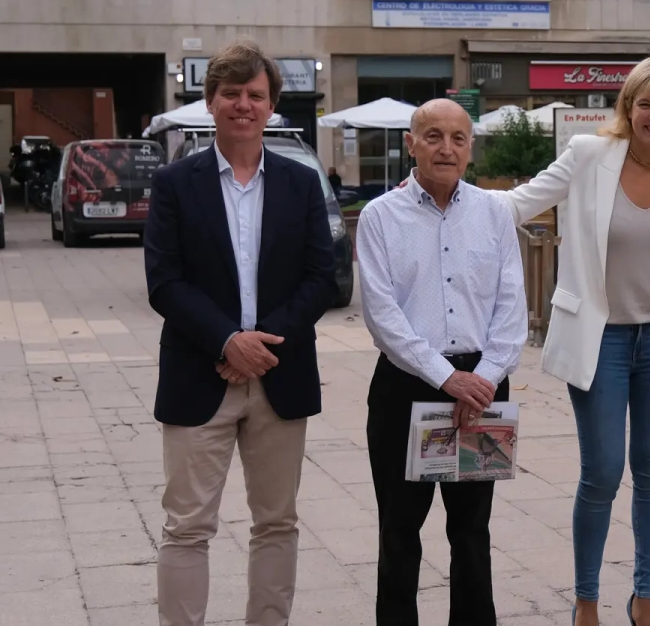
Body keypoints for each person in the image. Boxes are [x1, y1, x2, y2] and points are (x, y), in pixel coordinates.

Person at [491, 55, 650, 626]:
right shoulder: (590, 156)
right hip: (602, 339)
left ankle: (647, 598)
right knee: (604, 470)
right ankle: (586, 601)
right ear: (628, 108)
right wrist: (439, 195)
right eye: (646, 104)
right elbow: (517, 202)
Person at [144, 40, 338, 626]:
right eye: (232, 93)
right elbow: (164, 281)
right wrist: (228, 342)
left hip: (280, 376)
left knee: (276, 521)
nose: (244, 105)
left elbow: (319, 279)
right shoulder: (176, 183)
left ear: (273, 106)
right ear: (210, 102)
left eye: (256, 95)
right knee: (187, 525)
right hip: (199, 375)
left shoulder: (301, 183)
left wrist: (259, 346)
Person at [356, 98, 528, 626]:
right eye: (432, 136)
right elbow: (382, 314)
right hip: (406, 387)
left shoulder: (494, 213)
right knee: (399, 529)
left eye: (457, 137)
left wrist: (484, 377)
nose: (445, 148)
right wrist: (444, 376)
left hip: (481, 388)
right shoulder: (379, 216)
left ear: (470, 148)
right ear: (411, 144)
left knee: (472, 530)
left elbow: (511, 306)